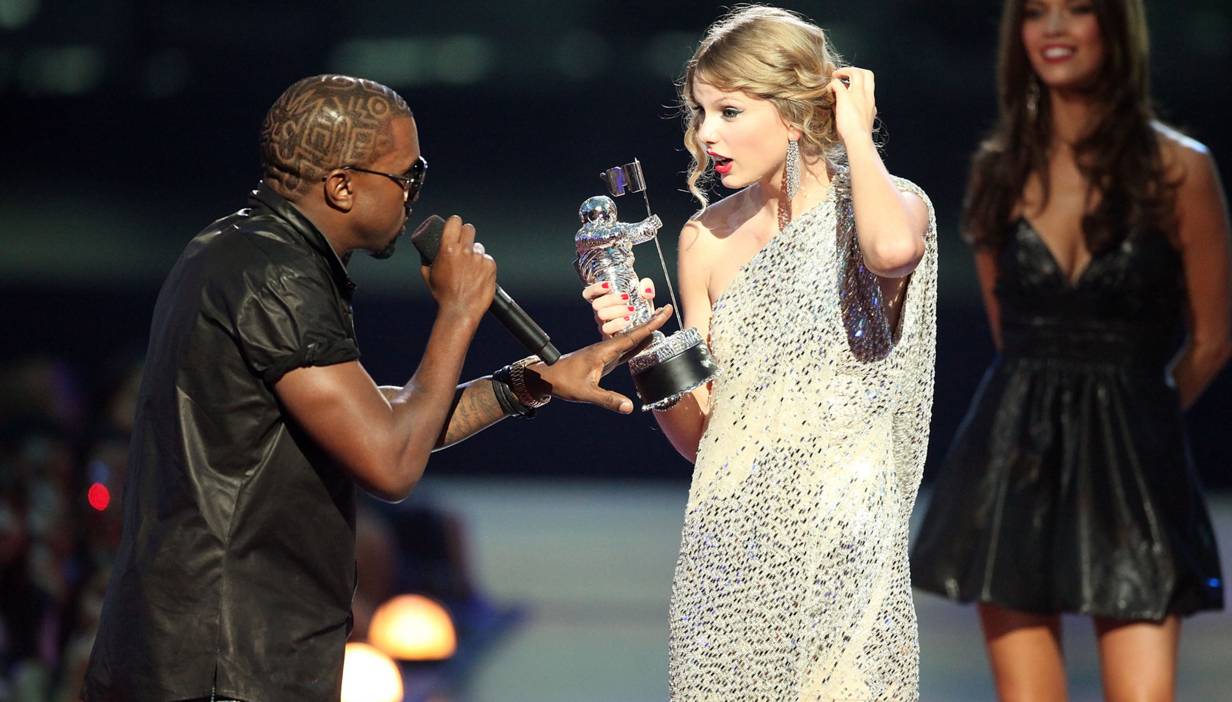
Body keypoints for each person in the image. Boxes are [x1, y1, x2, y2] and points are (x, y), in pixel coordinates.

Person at [80, 74, 673, 702]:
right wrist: (458, 311)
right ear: (341, 186)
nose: (417, 195)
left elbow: (381, 415)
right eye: (407, 177)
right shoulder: (275, 274)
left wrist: (527, 383)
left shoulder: (241, 252)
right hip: (225, 663)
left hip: (213, 657)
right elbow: (390, 460)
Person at [583, 6, 936, 699]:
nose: (706, 134)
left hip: (847, 545)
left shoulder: (892, 208)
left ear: (796, 110)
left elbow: (892, 253)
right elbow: (703, 436)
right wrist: (642, 345)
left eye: (730, 111)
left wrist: (854, 132)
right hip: (730, 550)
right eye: (700, 112)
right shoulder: (703, 240)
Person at [910, 0, 1230, 699]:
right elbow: (1008, 334)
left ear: (1114, 28)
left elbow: (1210, 340)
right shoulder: (996, 171)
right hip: (1015, 455)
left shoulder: (1180, 169)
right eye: (1035, 13)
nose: (1053, 28)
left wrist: (1142, 421)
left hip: (1135, 467)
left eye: (1077, 10)